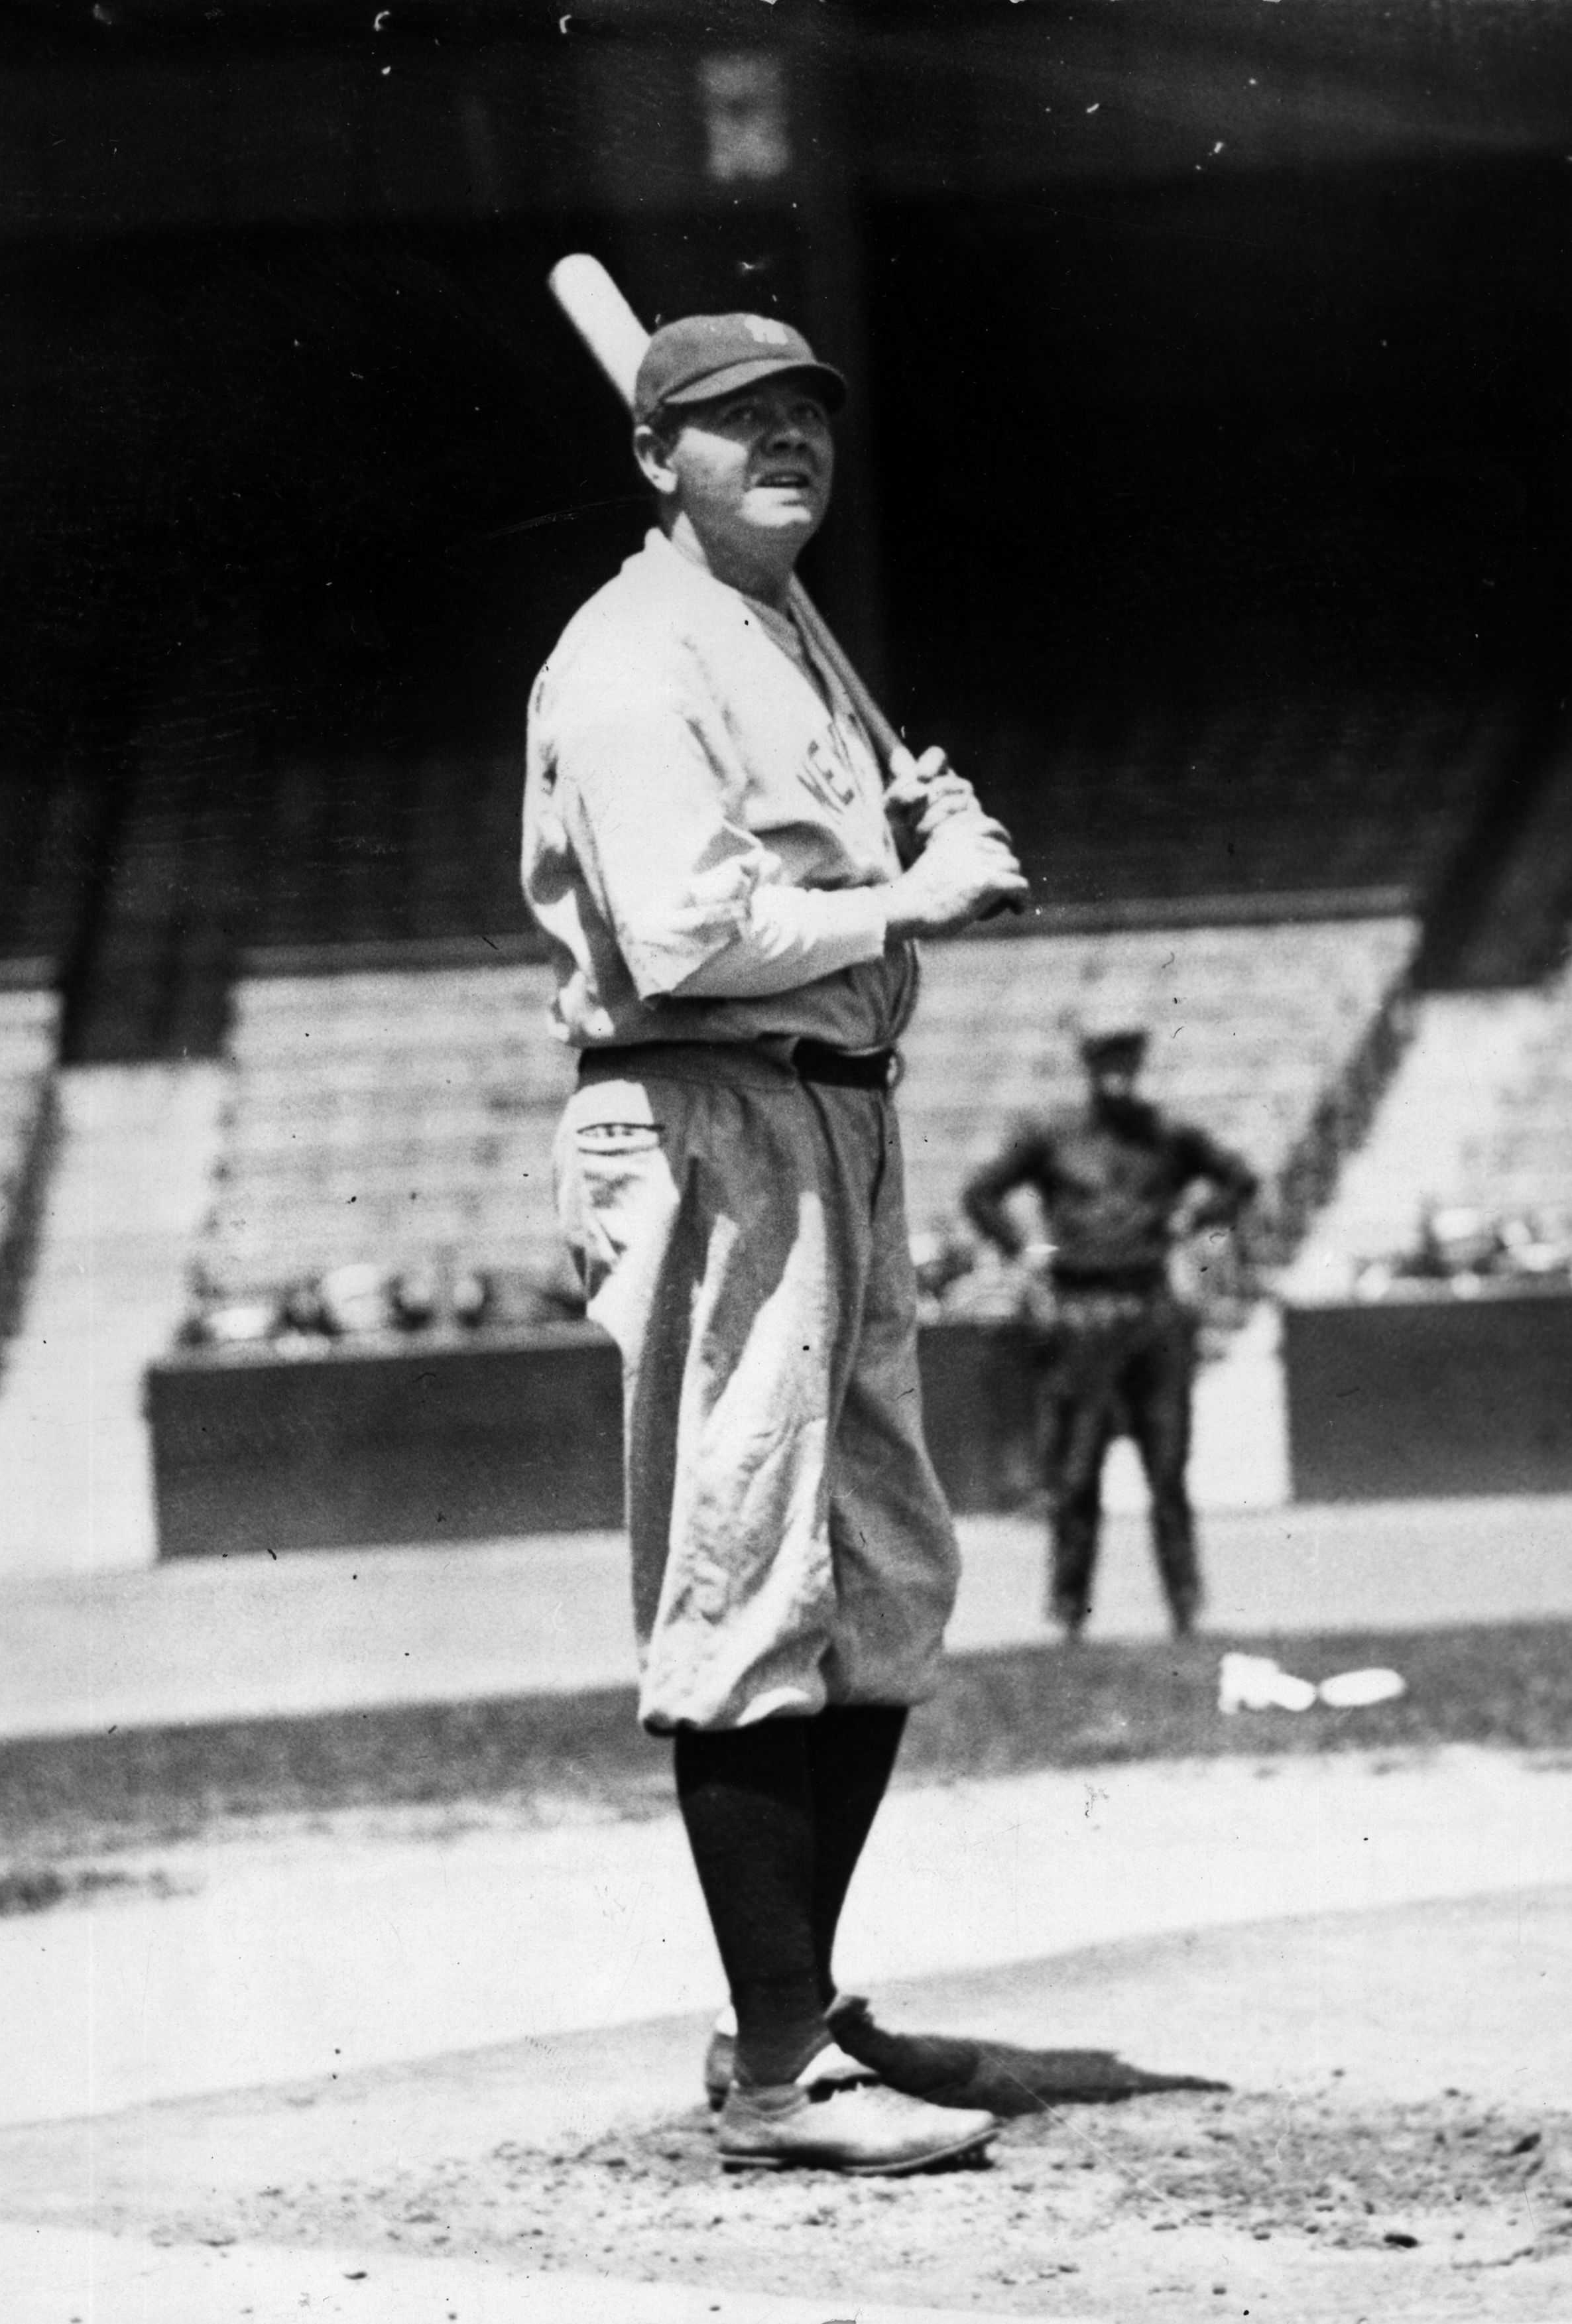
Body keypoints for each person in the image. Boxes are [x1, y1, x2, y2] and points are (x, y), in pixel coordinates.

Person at [522, 310, 1028, 2174]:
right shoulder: (630, 661)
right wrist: (917, 894)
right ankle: (768, 2066)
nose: (786, 441)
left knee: (880, 1566)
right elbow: (677, 935)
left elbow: (804, 887)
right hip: (702, 1111)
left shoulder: (766, 644)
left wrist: (897, 837)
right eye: (736, 424)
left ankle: (799, 1995)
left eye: (808, 411)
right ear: (658, 458)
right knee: (745, 1563)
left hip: (833, 1107)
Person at [961, 1027, 1258, 1640]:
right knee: (1076, 1475)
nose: (1119, 1076)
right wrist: (1025, 1246)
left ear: (1140, 1068)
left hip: (1153, 1308)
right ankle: (1070, 1611)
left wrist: (1194, 1216)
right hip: (1081, 1314)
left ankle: (1186, 1606)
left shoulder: (1167, 1137)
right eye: (1108, 1065)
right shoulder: (1055, 1136)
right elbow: (982, 1194)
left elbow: (1239, 1181)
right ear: (1091, 1070)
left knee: (1168, 1469)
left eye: (1128, 1065)